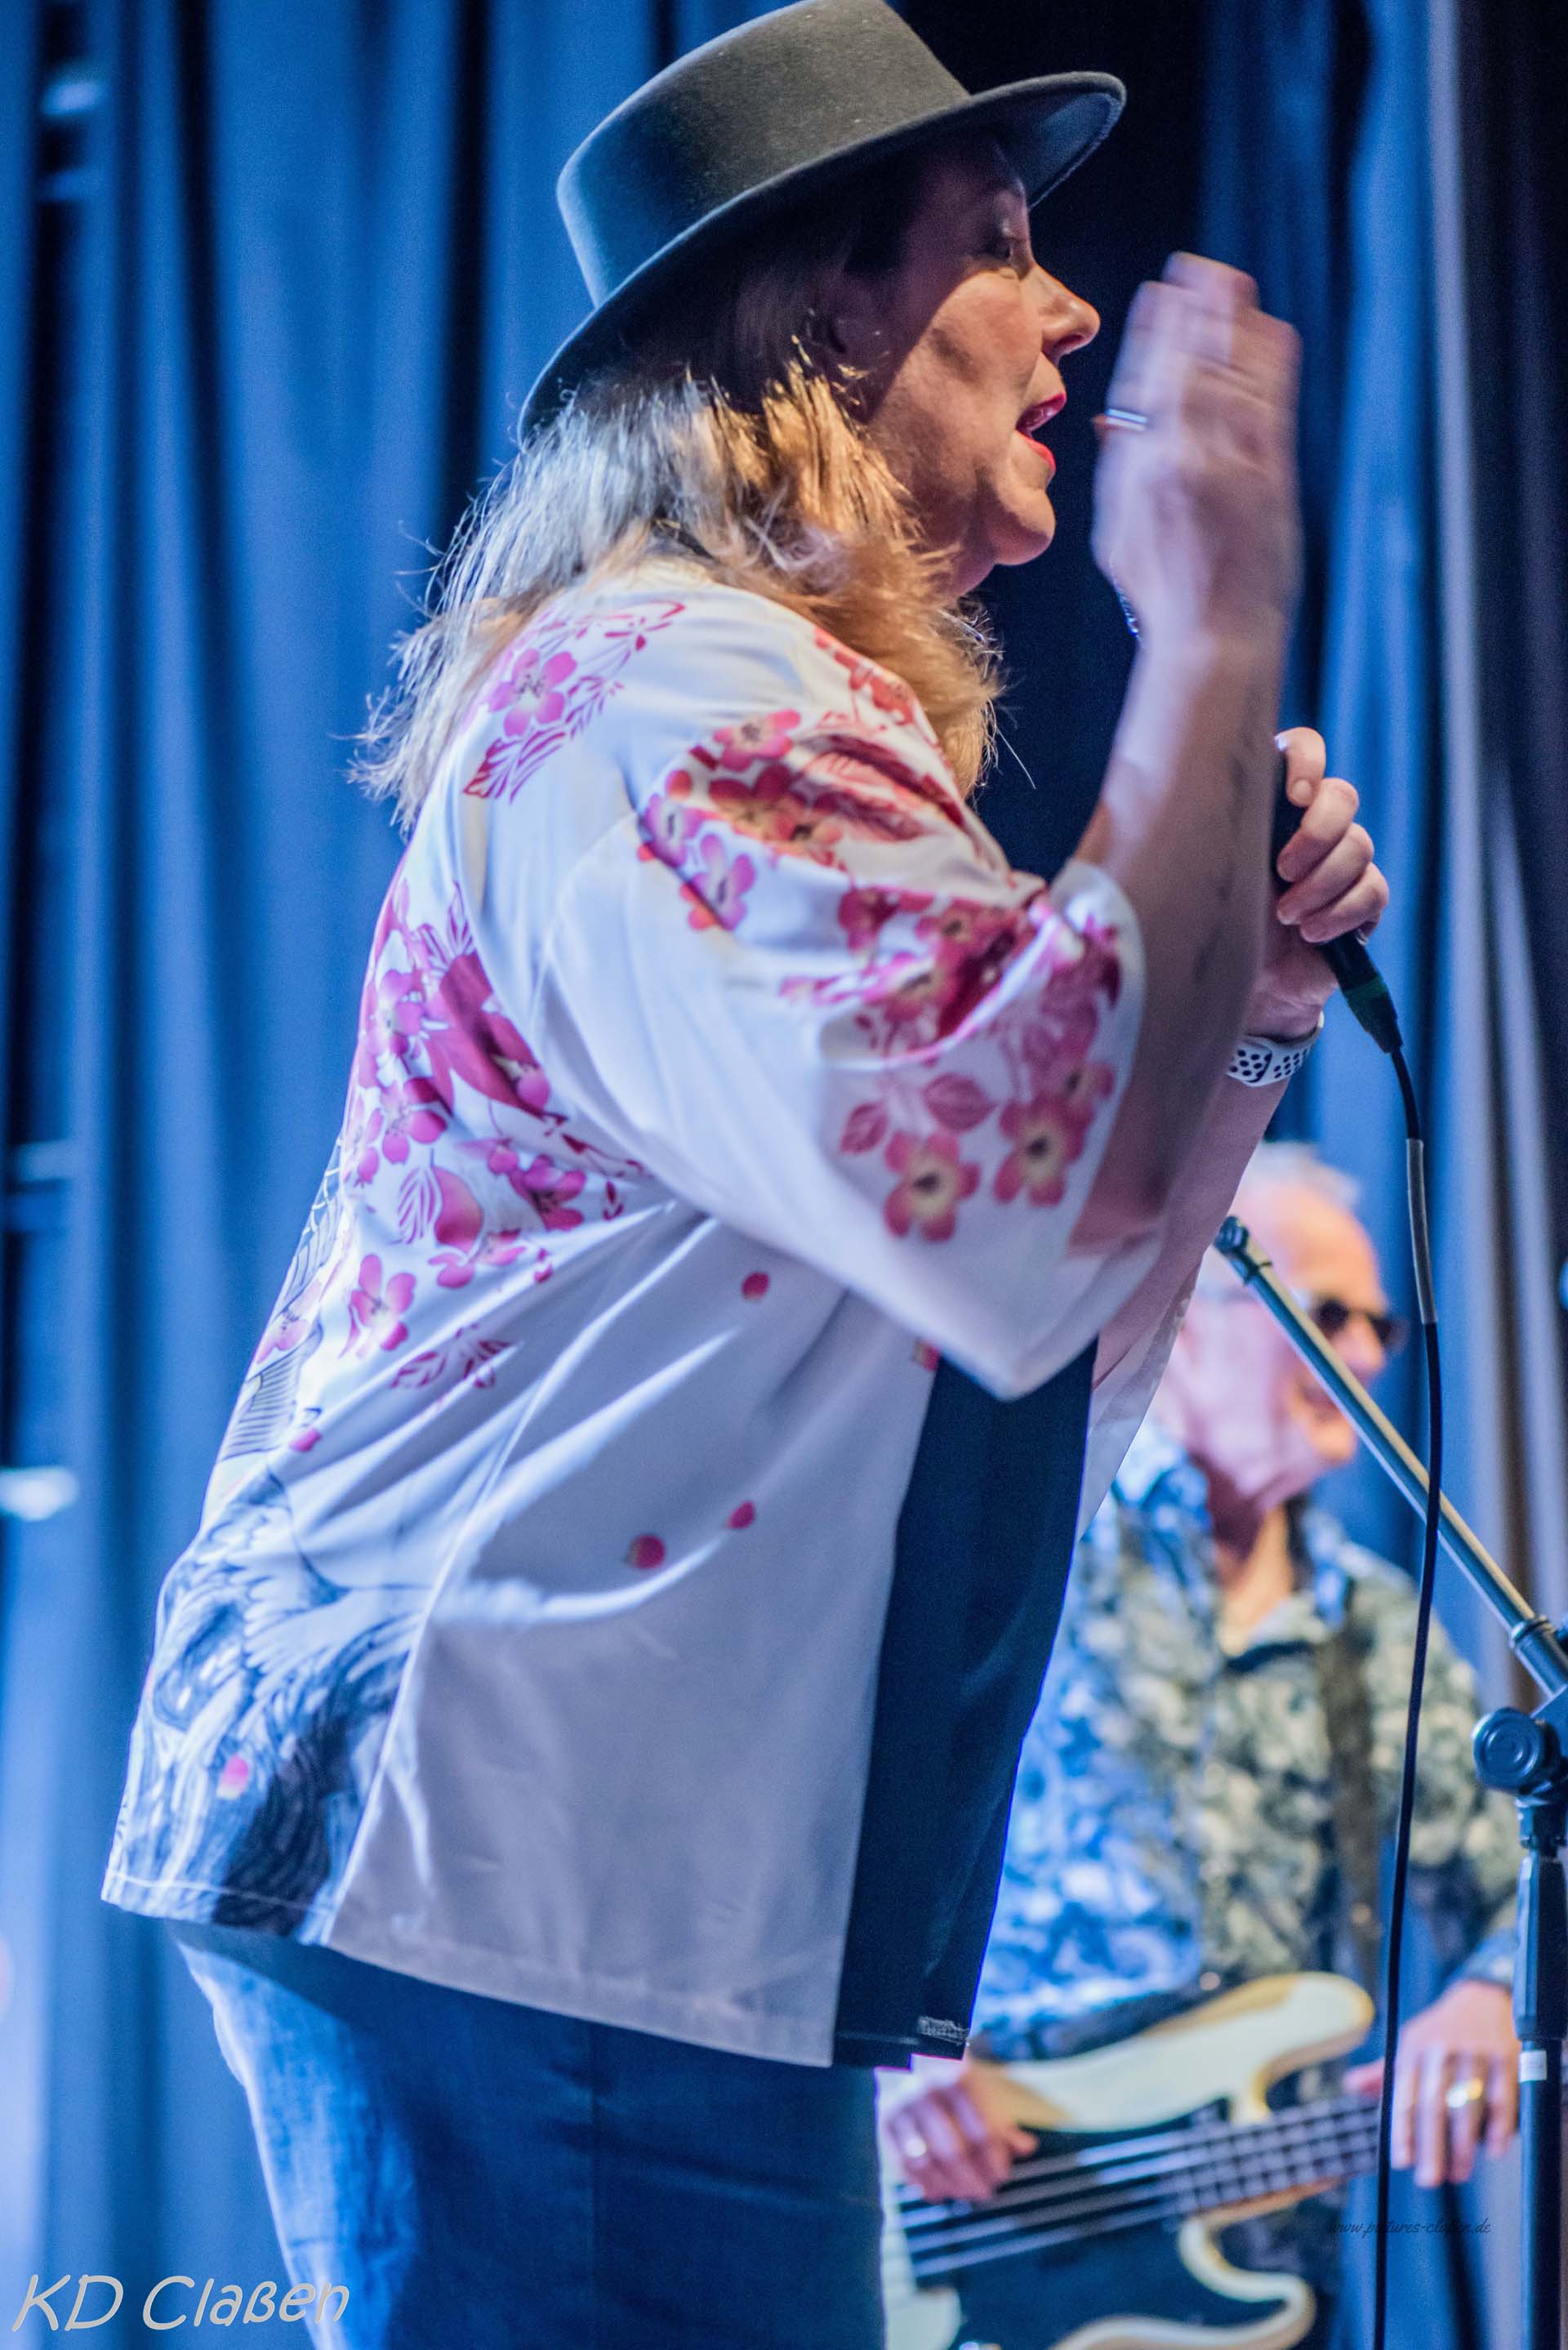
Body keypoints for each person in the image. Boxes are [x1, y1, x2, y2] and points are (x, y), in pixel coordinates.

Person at [100, 2, 1388, 2344]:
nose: (1071, 309)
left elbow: (1038, 1362)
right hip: (528, 1860)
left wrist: (1250, 1006)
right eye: (996, 246)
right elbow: (1016, 1222)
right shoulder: (681, 690)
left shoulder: (747, 709)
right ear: (818, 319)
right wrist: (1214, 634)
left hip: (588, 1873)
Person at [883, 1146, 1519, 2350]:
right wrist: (888, 2056)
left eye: (1378, 1324)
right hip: (975, 2217)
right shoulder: (1030, 1549)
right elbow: (839, 1818)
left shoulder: (1379, 1626)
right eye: (1325, 1313)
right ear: (1183, 1309)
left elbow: (1521, 1889)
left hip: (1259, 2278)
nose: (1367, 1356)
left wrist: (1491, 1994)